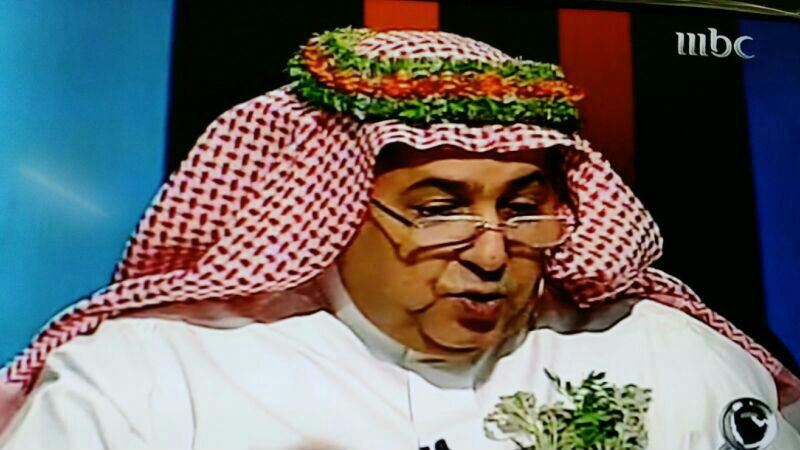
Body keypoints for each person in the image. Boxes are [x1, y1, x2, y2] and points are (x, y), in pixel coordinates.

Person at [1, 28, 799, 449]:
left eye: (524, 208)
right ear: (334, 206)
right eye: (439, 209)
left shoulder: (666, 355)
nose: (491, 255)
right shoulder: (145, 381)